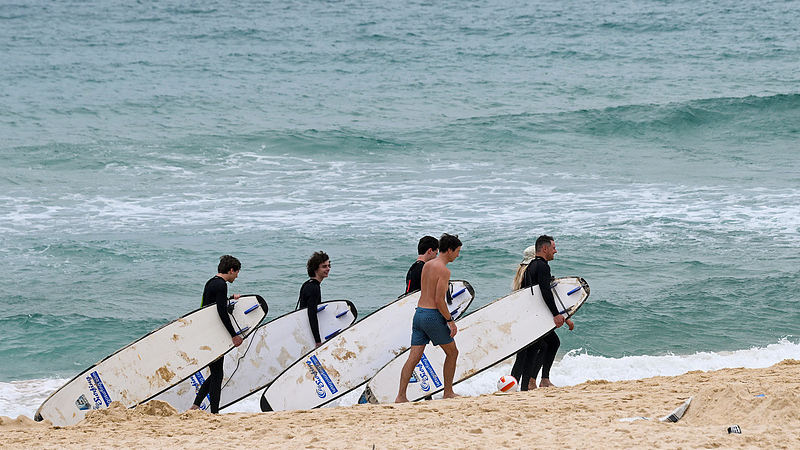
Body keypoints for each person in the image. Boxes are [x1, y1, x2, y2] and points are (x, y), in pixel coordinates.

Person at [396, 233, 462, 403]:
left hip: (419, 314)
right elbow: (439, 300)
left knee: (414, 357)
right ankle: (448, 392)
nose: (458, 255)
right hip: (432, 316)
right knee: (453, 353)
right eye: (457, 251)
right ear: (449, 250)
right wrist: (450, 321)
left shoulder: (427, 265)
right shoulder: (444, 271)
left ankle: (401, 396)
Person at [510, 235, 574, 390]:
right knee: (533, 350)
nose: (555, 251)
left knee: (532, 349)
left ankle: (518, 384)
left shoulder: (530, 267)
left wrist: (562, 316)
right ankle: (526, 385)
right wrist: (557, 315)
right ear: (545, 249)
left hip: (529, 315)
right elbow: (545, 292)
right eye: (553, 248)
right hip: (536, 316)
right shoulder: (542, 266)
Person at [190, 255, 244, 413]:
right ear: (231, 270)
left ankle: (196, 406)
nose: (237, 276)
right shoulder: (221, 285)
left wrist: (229, 299)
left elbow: (211, 306)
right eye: (237, 272)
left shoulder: (212, 282)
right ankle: (214, 412)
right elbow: (221, 312)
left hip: (206, 331)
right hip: (212, 334)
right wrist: (234, 335)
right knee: (217, 374)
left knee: (216, 373)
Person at [297, 251, 331, 347]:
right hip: (309, 333)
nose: (328, 269)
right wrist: (318, 341)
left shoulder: (307, 284)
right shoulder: (314, 288)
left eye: (328, 266)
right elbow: (312, 314)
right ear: (315, 269)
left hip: (304, 330)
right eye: (324, 266)